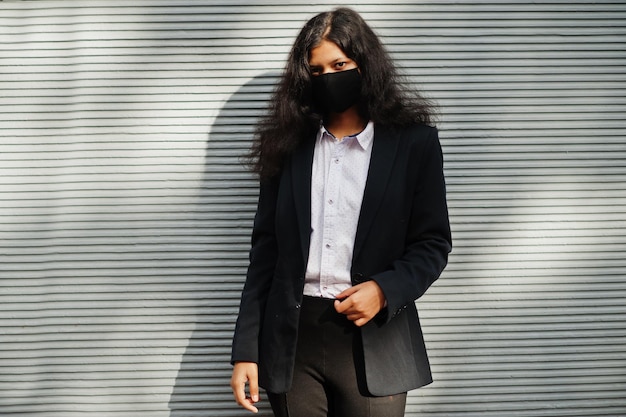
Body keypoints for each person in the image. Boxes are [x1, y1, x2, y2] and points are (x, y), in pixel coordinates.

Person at [230, 7, 452, 417]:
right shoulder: (287, 146)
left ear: (364, 64)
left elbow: (433, 243)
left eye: (339, 64)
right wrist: (246, 351)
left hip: (376, 338)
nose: (328, 78)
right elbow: (265, 254)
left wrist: (384, 289)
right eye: (315, 71)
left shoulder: (413, 145)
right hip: (294, 342)